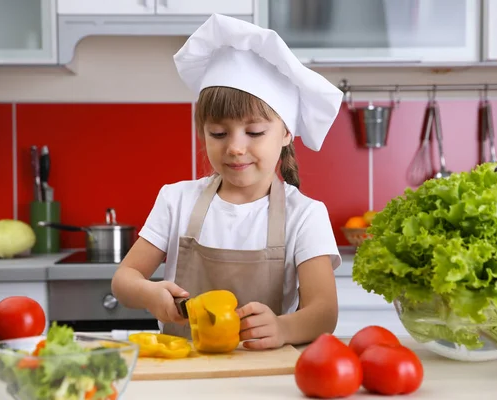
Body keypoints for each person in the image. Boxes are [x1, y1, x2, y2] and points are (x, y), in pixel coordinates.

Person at [111, 13, 344, 350]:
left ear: (285, 133)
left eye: (254, 132)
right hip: (183, 372)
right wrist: (149, 292)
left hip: (265, 378)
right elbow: (123, 280)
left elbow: (324, 312)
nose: (235, 147)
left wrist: (283, 328)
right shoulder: (176, 200)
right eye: (218, 133)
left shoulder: (305, 215)